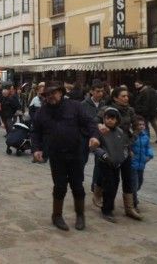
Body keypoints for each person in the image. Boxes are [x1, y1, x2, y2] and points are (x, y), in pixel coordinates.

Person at [31, 81, 100, 231]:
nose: (50, 96)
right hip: (56, 155)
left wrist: (94, 137)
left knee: (77, 186)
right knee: (60, 186)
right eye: (47, 94)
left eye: (53, 93)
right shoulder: (42, 111)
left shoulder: (75, 106)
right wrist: (36, 149)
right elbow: (35, 131)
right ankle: (57, 216)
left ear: (61, 92)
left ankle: (80, 215)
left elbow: (90, 123)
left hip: (76, 153)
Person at [93, 107, 139, 222]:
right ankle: (107, 210)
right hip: (105, 163)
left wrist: (126, 153)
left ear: (117, 120)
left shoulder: (120, 132)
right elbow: (94, 147)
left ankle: (129, 207)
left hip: (118, 162)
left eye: (112, 119)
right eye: (107, 118)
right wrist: (103, 155)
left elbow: (125, 145)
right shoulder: (100, 131)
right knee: (110, 186)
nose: (109, 121)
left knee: (117, 183)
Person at [130, 116, 154, 212]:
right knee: (134, 184)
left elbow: (148, 147)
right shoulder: (132, 136)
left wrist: (150, 155)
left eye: (143, 124)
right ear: (135, 126)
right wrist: (130, 152)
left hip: (142, 164)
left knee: (140, 183)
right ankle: (134, 204)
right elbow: (127, 146)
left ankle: (131, 196)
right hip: (133, 164)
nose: (141, 126)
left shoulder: (145, 135)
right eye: (139, 125)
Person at [134, 80, 157, 144]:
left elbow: (146, 103)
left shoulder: (144, 92)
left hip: (146, 112)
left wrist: (143, 111)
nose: (136, 87)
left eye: (137, 85)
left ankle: (147, 139)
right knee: (154, 124)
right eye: (135, 85)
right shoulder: (152, 90)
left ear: (142, 84)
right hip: (152, 111)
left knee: (145, 125)